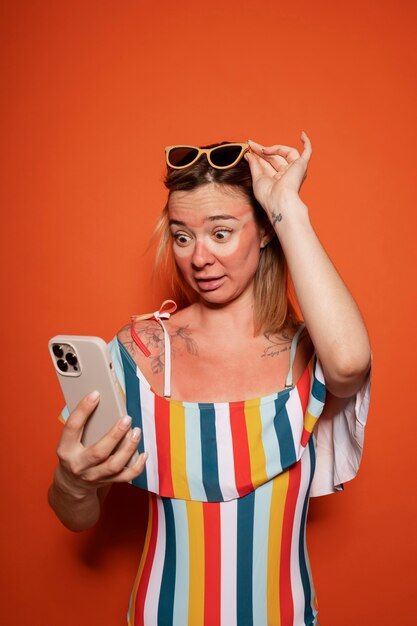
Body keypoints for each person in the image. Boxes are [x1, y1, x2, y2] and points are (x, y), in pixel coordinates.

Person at [48, 133, 372, 626]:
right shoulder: (138, 354)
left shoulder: (311, 355)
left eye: (221, 232)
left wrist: (287, 205)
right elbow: (78, 517)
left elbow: (350, 363)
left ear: (265, 231)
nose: (199, 258)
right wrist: (71, 482)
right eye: (183, 236)